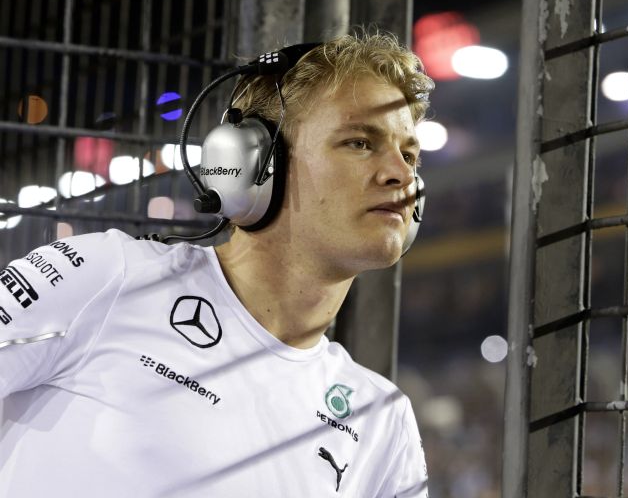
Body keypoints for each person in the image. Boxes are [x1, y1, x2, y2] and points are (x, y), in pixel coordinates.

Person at [0, 32, 433, 497]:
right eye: (359, 142)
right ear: (253, 163)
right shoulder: (104, 277)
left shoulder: (382, 419)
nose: (402, 175)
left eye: (409, 154)